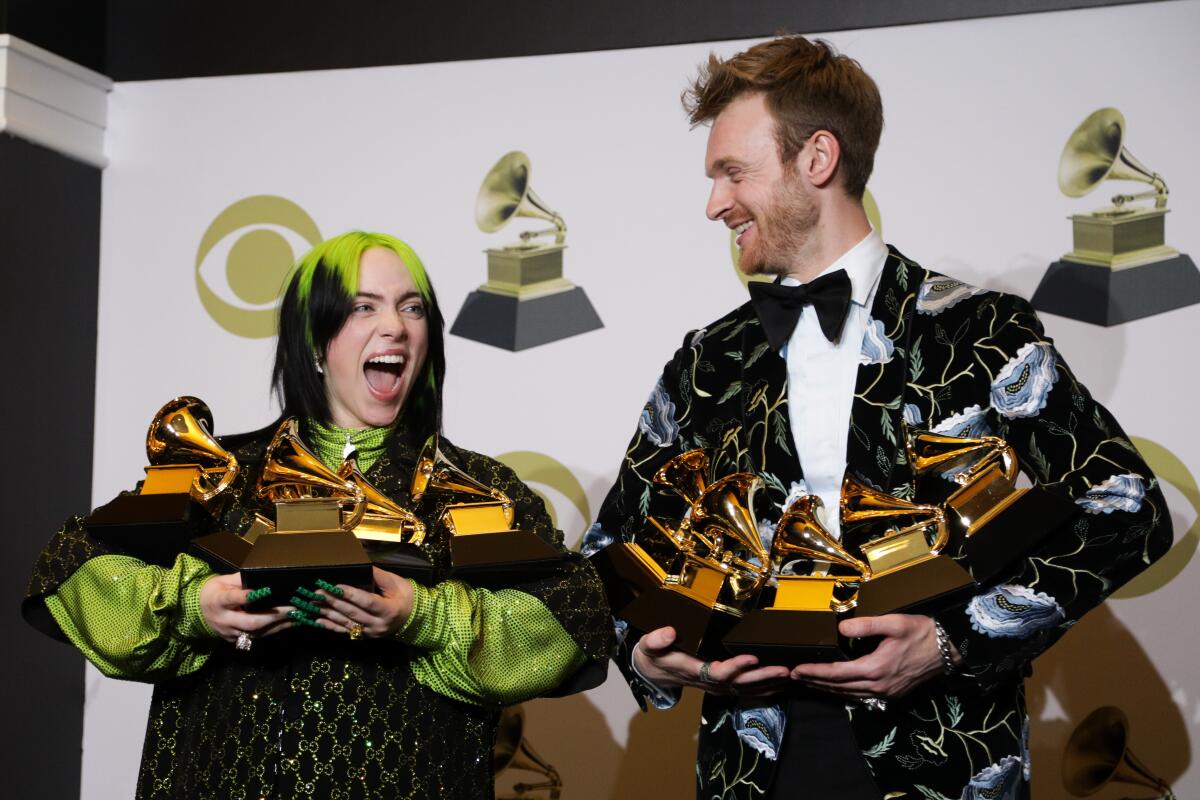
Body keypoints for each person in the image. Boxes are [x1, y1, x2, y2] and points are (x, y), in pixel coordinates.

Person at [583, 36, 1171, 800]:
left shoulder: (978, 331)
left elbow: (1128, 507)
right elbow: (606, 555)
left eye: (734, 171)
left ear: (817, 158)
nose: (715, 203)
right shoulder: (707, 361)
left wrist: (950, 641)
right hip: (754, 762)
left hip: (942, 755)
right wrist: (653, 657)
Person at [24, 231, 613, 799]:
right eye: (364, 307)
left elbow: (570, 617)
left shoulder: (484, 490)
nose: (395, 327)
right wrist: (193, 606)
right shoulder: (222, 473)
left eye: (412, 308)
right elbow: (74, 567)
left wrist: (421, 615)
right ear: (313, 338)